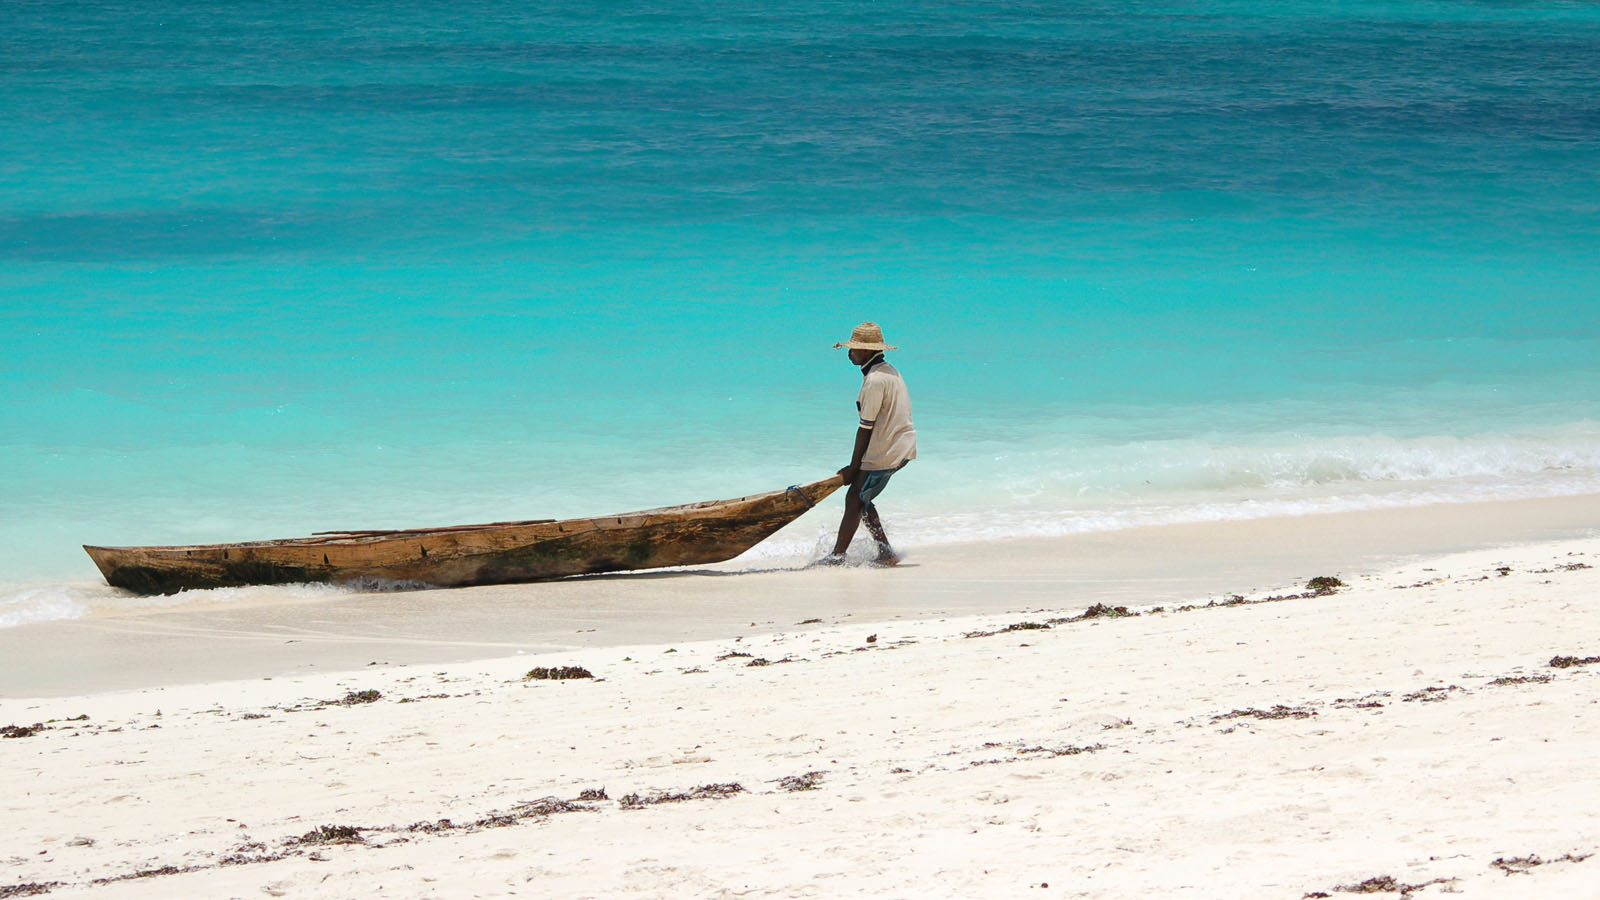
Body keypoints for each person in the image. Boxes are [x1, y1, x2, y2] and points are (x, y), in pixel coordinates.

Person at [823, 321, 917, 565]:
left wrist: (853, 467)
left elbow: (865, 428)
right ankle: (886, 552)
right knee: (861, 500)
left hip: (886, 449)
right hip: (899, 444)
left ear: (866, 351)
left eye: (853, 348)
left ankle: (837, 556)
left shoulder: (875, 380)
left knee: (854, 498)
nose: (849, 352)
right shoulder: (889, 371)